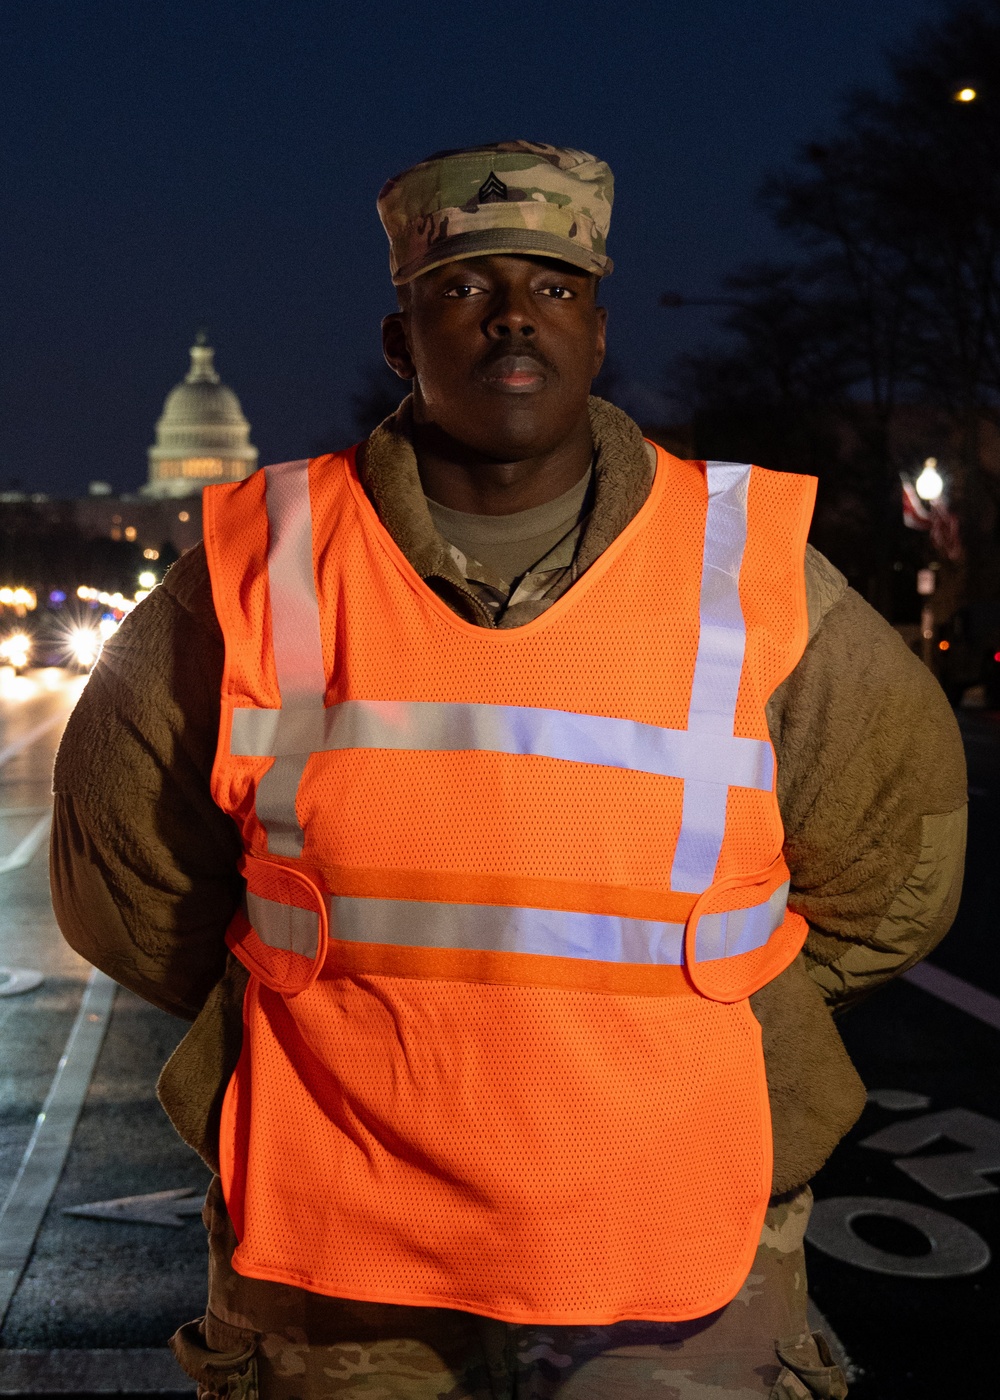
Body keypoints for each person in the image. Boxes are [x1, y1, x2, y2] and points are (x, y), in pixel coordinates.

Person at [51, 141, 967, 1399]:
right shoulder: (255, 568)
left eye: (552, 285)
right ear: (399, 336)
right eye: (467, 288)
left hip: (674, 1234)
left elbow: (897, 866)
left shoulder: (746, 566)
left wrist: (719, 1023)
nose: (512, 319)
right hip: (340, 1249)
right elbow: (122, 877)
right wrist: (304, 1026)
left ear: (598, 329)